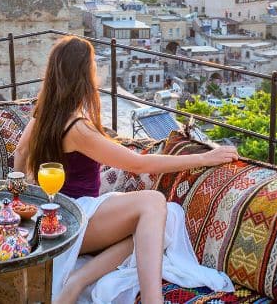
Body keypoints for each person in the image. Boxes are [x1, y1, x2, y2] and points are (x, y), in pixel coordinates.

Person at [13, 36, 239, 304]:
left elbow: (19, 154)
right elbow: (138, 164)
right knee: (154, 203)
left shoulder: (44, 114)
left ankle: (79, 280)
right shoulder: (76, 128)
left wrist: (24, 199)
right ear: (84, 74)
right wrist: (205, 158)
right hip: (74, 217)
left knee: (165, 218)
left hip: (52, 215)